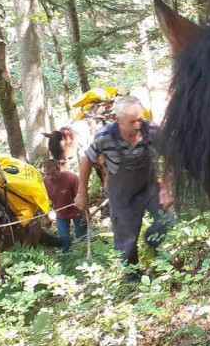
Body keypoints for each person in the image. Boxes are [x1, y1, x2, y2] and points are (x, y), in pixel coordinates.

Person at [74, 95, 173, 278]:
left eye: (139, 119)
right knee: (126, 244)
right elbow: (87, 159)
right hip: (121, 195)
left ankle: (157, 252)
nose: (137, 125)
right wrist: (82, 193)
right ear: (117, 120)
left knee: (167, 220)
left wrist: (167, 187)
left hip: (149, 188)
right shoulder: (104, 137)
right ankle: (133, 278)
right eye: (132, 121)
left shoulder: (151, 130)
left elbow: (169, 154)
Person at [43, 159, 87, 252]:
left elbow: (82, 196)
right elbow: (42, 201)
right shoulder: (44, 182)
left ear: (59, 169)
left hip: (77, 211)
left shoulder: (71, 178)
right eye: (47, 174)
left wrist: (86, 214)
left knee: (82, 239)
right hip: (61, 213)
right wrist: (46, 217)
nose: (50, 177)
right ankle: (66, 260)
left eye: (53, 173)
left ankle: (84, 259)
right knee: (64, 241)